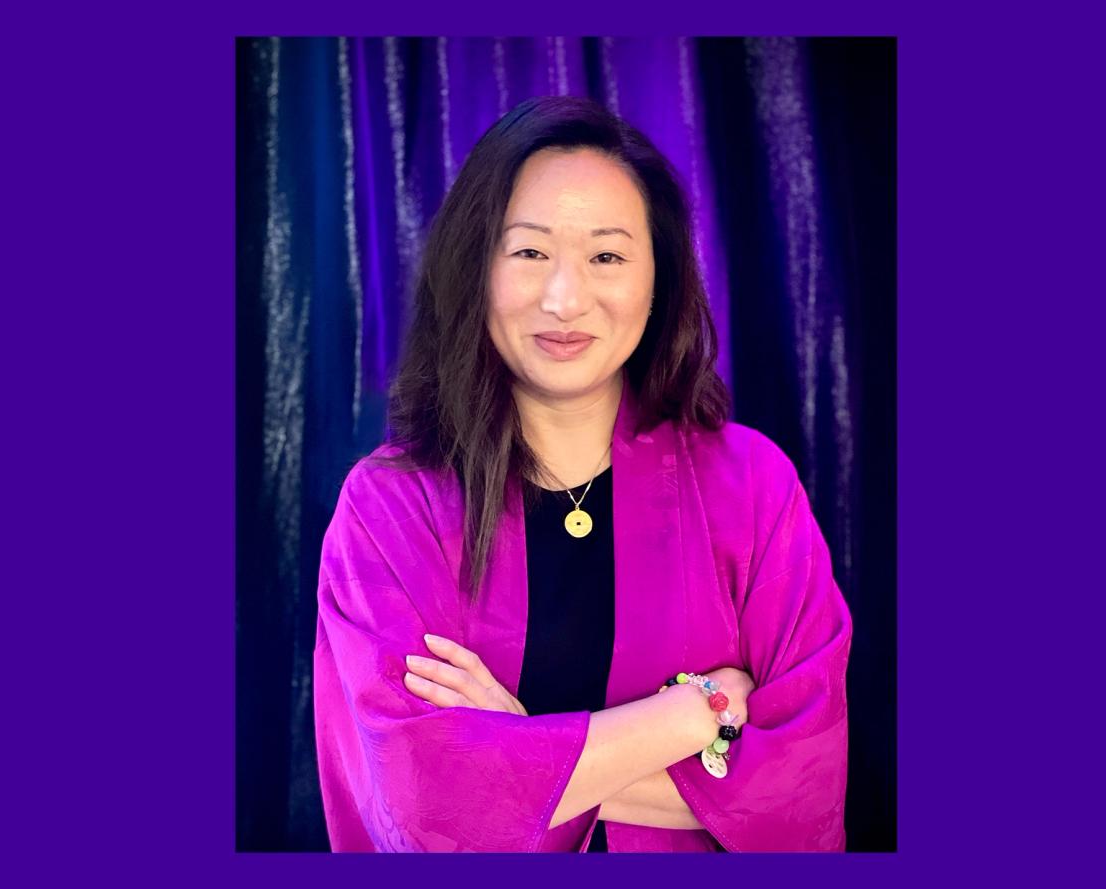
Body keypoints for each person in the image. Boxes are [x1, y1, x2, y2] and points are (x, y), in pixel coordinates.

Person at [313, 95, 851, 852]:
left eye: (607, 255)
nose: (564, 298)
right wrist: (688, 717)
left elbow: (806, 789)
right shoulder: (390, 508)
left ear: (658, 278)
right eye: (529, 252)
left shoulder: (751, 486)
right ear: (474, 268)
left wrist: (515, 744)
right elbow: (419, 802)